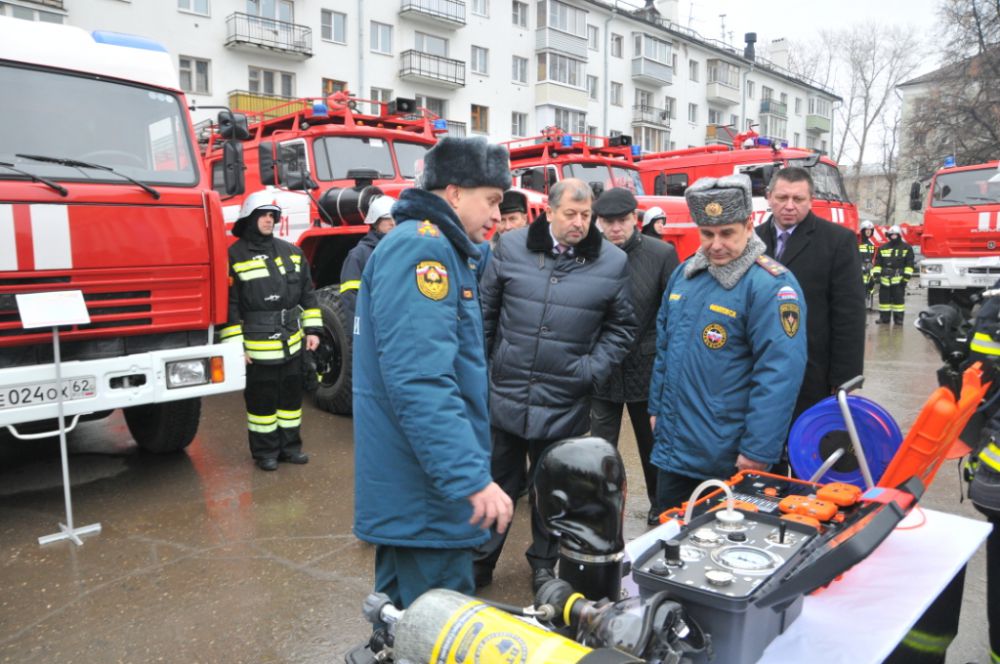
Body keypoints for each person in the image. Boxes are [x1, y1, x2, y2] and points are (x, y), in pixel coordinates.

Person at [352, 136, 514, 609]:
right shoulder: (425, 252)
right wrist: (471, 479)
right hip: (427, 495)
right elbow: (421, 380)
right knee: (436, 627)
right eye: (492, 200)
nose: (498, 215)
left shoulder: (441, 247)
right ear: (455, 193)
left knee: (403, 622)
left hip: (422, 488)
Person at [475, 178, 636, 592]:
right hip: (506, 392)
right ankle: (479, 560)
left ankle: (544, 565)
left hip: (565, 397)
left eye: (586, 215)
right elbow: (485, 313)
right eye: (571, 214)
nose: (579, 223)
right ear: (548, 212)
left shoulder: (612, 262)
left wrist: (589, 370)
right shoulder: (510, 247)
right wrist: (487, 367)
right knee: (498, 481)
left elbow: (622, 328)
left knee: (553, 488)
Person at [649, 175, 808, 511]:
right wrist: (655, 410)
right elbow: (663, 350)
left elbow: (778, 375)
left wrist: (758, 452)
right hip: (675, 453)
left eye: (726, 234)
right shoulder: (685, 276)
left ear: (749, 227)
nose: (716, 244)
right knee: (670, 543)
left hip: (732, 460)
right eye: (707, 234)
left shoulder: (771, 286)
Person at [590, 188, 679, 525]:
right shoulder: (588, 255)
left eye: (623, 221)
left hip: (647, 369)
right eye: (609, 222)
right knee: (600, 449)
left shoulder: (661, 254)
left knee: (652, 445)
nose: (616, 228)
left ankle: (660, 504)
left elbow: (673, 314)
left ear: (635, 220)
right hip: (604, 372)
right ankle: (602, 508)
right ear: (599, 222)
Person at [756, 167, 866, 427]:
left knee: (807, 447)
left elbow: (849, 314)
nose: (790, 206)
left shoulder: (838, 241)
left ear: (811, 200)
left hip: (813, 370)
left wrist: (846, 380)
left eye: (798, 199)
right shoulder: (752, 241)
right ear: (769, 197)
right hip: (760, 367)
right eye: (782, 198)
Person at [220, 191, 322, 471]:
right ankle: (265, 452)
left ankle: (290, 448)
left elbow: (307, 295)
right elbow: (229, 305)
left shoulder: (292, 251)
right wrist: (235, 348)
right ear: (249, 218)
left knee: (291, 400)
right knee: (261, 402)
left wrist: (313, 330)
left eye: (272, 216)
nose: (269, 220)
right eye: (263, 215)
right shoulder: (233, 255)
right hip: (257, 346)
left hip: (292, 342)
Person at [338, 194, 396, 321]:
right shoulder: (359, 255)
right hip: (374, 325)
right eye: (386, 218)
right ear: (375, 222)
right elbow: (351, 299)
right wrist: (359, 334)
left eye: (395, 218)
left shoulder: (403, 250)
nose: (393, 222)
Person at [872, 225, 915, 326]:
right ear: (889, 235)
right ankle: (884, 319)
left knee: (898, 302)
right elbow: (878, 263)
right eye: (891, 234)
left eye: (895, 234)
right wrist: (876, 275)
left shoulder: (907, 248)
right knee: (884, 301)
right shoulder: (883, 248)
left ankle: (898, 320)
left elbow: (909, 264)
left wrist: (906, 279)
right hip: (884, 279)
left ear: (899, 235)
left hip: (899, 280)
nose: (893, 236)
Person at [858, 220, 877, 301]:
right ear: (863, 230)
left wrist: (870, 265)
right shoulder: (857, 242)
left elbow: (871, 257)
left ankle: (867, 298)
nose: (869, 232)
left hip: (868, 270)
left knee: (870, 283)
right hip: (858, 271)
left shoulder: (871, 244)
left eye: (870, 230)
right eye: (867, 230)